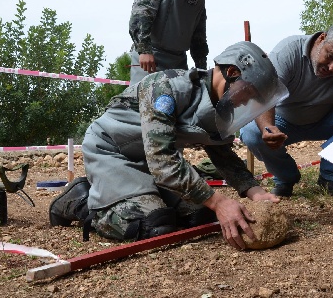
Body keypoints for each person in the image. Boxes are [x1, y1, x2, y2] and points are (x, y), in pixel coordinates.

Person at [49, 41, 289, 250]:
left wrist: (256, 193)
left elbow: (222, 155)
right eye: (249, 92)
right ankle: (80, 199)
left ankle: (138, 194)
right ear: (233, 72)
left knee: (200, 216)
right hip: (113, 151)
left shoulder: (219, 107)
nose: (247, 101)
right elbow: (163, 161)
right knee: (155, 225)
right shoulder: (166, 87)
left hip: (151, 161)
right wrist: (220, 202)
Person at [239, 22, 333, 197]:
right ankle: (285, 178)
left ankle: (330, 177)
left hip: (327, 118)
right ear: (321, 38)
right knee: (251, 132)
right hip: (283, 121)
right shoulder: (288, 51)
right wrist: (268, 127)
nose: (332, 68)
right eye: (331, 55)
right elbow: (264, 93)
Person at [129, 0, 217, 84]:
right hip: (151, 59)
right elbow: (142, 12)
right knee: (149, 99)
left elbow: (198, 36)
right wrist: (144, 50)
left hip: (178, 62)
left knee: (180, 99)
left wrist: (202, 68)